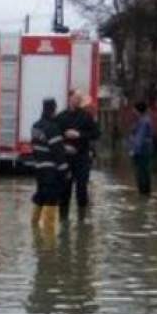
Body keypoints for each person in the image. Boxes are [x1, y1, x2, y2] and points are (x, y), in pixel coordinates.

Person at [55, 89, 101, 218]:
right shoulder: (60, 117)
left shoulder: (86, 116)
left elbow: (96, 134)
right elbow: (54, 137)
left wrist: (79, 134)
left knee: (82, 189)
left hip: (82, 158)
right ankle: (63, 219)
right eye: (76, 97)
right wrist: (64, 146)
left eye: (80, 98)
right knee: (64, 190)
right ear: (69, 98)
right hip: (66, 159)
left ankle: (82, 219)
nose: (78, 100)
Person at [30, 98, 69, 234]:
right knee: (51, 201)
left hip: (39, 170)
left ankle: (34, 230)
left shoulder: (35, 126)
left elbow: (36, 147)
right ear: (54, 109)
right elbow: (58, 153)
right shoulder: (53, 128)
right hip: (51, 172)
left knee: (40, 198)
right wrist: (65, 172)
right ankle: (49, 245)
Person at [128, 101, 154, 196]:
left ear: (137, 110)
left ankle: (143, 193)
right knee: (144, 171)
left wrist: (133, 151)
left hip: (142, 151)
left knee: (141, 172)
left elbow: (140, 137)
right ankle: (145, 192)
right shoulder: (144, 120)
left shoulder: (143, 121)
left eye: (134, 109)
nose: (133, 111)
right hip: (145, 150)